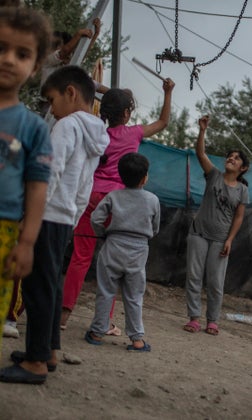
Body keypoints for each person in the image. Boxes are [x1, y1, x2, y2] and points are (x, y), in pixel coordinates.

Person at [0, 65, 109, 384]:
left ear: (71, 93)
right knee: (49, 284)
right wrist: (72, 218)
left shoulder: (68, 125)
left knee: (36, 288)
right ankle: (48, 351)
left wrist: (29, 214)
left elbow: (50, 171)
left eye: (51, 100)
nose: (50, 108)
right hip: (65, 218)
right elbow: (84, 185)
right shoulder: (96, 132)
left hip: (47, 214)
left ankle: (35, 362)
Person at [61, 79, 174, 332]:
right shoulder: (133, 133)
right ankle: (108, 322)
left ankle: (63, 317)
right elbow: (163, 122)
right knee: (110, 264)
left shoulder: (96, 133)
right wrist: (168, 93)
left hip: (90, 197)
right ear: (126, 114)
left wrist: (100, 90)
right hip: (118, 203)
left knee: (79, 259)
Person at [0, 5, 53, 356]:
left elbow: (37, 188)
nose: (8, 59)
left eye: (21, 54)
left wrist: (27, 242)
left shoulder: (34, 128)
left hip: (4, 232)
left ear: (34, 67)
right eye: (0, 48)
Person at [84, 153, 160, 352]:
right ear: (144, 178)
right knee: (134, 296)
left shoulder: (113, 196)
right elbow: (156, 227)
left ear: (120, 175)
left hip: (113, 245)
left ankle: (97, 332)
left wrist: (103, 234)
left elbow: (95, 219)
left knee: (106, 291)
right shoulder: (153, 200)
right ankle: (137, 340)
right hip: (139, 249)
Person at [183, 115, 249, 335]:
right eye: (229, 156)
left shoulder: (242, 190)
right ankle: (194, 318)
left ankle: (212, 320)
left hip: (221, 239)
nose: (231, 159)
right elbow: (200, 153)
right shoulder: (214, 176)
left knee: (215, 281)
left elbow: (239, 217)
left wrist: (230, 240)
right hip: (199, 233)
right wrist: (202, 130)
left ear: (243, 168)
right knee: (193, 276)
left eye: (236, 158)